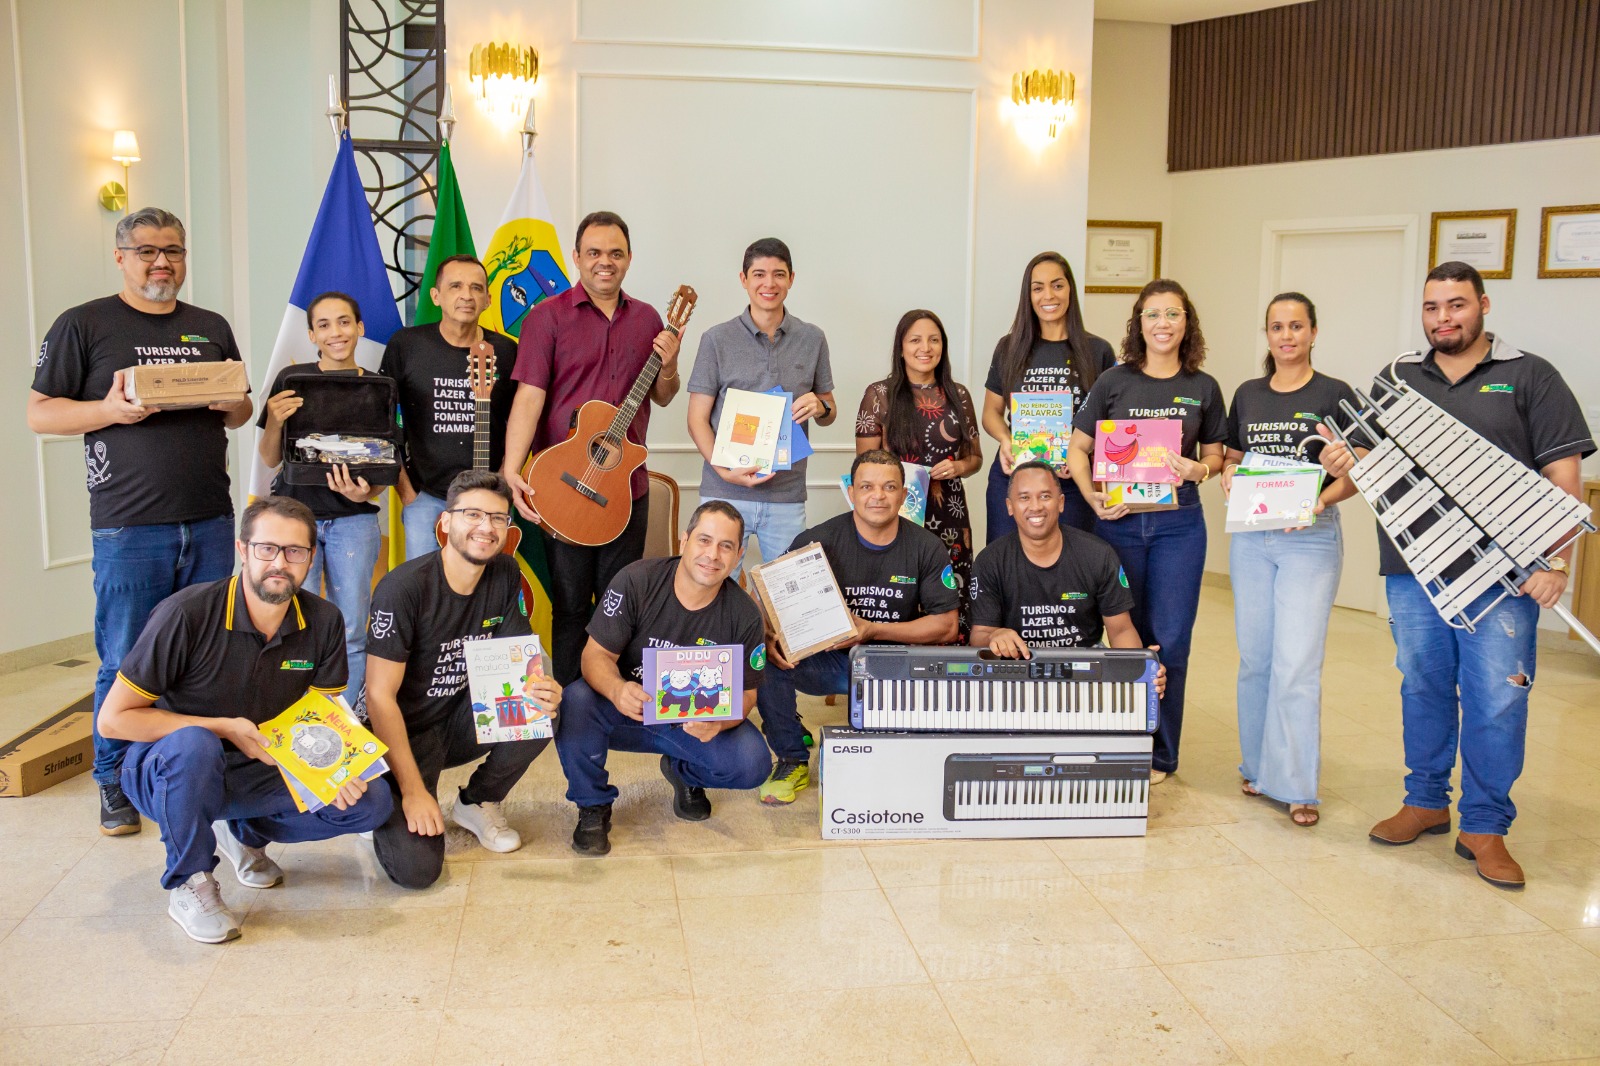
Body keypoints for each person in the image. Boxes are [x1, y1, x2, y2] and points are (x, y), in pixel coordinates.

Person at [1320, 261, 1593, 887]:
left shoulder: (1531, 375)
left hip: (1504, 575)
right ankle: (1425, 802)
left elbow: (1564, 479)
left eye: (1456, 305)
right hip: (1414, 567)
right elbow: (1369, 464)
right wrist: (1344, 461)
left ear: (1484, 306)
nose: (1444, 318)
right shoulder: (1397, 378)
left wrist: (1555, 561)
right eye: (1432, 307)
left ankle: (1486, 826)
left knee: (1498, 699)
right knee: (1422, 686)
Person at [27, 206, 254, 836]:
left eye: (175, 251)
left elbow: (239, 411)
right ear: (121, 256)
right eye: (149, 251)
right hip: (128, 526)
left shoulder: (211, 325)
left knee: (207, 653)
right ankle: (112, 781)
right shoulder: (84, 324)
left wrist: (233, 403)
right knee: (123, 656)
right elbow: (40, 414)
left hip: (210, 518)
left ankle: (194, 765)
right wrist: (107, 412)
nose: (163, 262)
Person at [97, 496, 392, 944]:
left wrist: (333, 770)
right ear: (242, 550)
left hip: (264, 763)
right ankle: (190, 881)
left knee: (371, 801)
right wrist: (222, 727)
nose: (280, 562)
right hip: (169, 767)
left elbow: (320, 717)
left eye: (295, 551)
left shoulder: (324, 620)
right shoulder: (187, 613)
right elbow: (113, 721)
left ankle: (244, 831)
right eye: (267, 548)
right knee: (194, 743)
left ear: (311, 557)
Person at [501, 211, 684, 685]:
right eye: (595, 253)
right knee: (568, 602)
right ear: (577, 258)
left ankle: (612, 697)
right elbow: (530, 396)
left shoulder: (647, 318)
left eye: (616, 253)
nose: (606, 262)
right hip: (564, 484)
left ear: (629, 259)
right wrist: (510, 466)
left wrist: (670, 363)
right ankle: (567, 698)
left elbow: (662, 394)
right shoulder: (546, 317)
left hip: (625, 488)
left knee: (618, 601)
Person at [364, 471, 563, 889]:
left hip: (456, 719)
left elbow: (519, 661)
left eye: (497, 518)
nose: (485, 527)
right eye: (472, 514)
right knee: (417, 871)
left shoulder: (505, 574)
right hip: (401, 732)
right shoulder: (402, 589)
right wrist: (415, 791)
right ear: (446, 522)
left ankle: (476, 801)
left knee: (544, 710)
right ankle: (384, 804)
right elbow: (380, 698)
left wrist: (542, 684)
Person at [1066, 279, 1227, 784]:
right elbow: (1077, 448)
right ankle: (1120, 741)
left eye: (1173, 314)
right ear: (1138, 323)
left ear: (1187, 323)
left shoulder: (1204, 387)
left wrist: (1197, 470)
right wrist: (1092, 496)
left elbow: (1217, 456)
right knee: (1124, 636)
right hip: (1118, 527)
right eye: (1153, 314)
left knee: (1172, 639)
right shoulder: (1114, 381)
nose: (1163, 323)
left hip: (1180, 526)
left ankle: (1161, 752)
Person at [556, 501, 774, 855]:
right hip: (627, 709)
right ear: (684, 540)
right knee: (575, 700)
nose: (712, 555)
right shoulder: (637, 580)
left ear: (737, 557)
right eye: (704, 540)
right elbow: (594, 656)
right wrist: (615, 689)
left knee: (753, 764)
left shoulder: (745, 615)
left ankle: (684, 772)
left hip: (688, 725)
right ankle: (592, 805)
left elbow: (747, 697)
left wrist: (718, 724)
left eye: (726, 546)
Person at [1221, 293, 1359, 827]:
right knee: (1256, 659)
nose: (1286, 336)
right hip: (1252, 539)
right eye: (1277, 327)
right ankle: (1258, 768)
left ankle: (1298, 784)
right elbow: (1232, 457)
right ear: (1268, 334)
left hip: (1310, 538)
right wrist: (1229, 476)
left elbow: (1360, 468)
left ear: (1314, 332)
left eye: (1296, 326)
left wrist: (1322, 498)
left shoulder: (1335, 394)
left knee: (1297, 664)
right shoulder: (1249, 394)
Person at [754, 450, 961, 804]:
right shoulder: (815, 540)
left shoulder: (927, 547)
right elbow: (768, 599)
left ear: (902, 494)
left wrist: (873, 629)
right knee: (763, 659)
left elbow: (946, 626)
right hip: (827, 662)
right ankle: (791, 757)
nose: (877, 496)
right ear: (851, 492)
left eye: (889, 487)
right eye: (866, 486)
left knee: (896, 771)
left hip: (894, 667)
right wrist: (768, 634)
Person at [257, 292, 387, 709]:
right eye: (325, 325)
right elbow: (270, 457)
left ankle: (344, 722)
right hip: (296, 521)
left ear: (360, 328)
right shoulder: (290, 382)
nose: (336, 333)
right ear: (312, 334)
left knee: (350, 626)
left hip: (355, 521)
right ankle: (295, 714)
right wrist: (275, 420)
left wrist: (366, 491)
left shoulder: (379, 387)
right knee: (294, 621)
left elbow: (382, 463)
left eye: (345, 322)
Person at [687, 237, 837, 574]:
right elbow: (697, 419)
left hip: (786, 495)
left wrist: (821, 407)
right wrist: (726, 472)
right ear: (744, 280)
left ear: (791, 279)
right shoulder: (716, 339)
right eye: (759, 274)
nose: (769, 284)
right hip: (724, 492)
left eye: (778, 274)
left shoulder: (813, 338)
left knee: (790, 595)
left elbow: (829, 409)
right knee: (713, 590)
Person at [970, 463, 1163, 691]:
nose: (1036, 507)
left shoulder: (1097, 554)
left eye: (1045, 496)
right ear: (1009, 507)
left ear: (1061, 503)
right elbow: (980, 635)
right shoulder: (990, 561)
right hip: (1017, 669)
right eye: (1024, 498)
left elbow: (1120, 630)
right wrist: (997, 635)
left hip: (1084, 667)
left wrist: (1139, 674)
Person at [380, 255, 518, 560]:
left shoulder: (506, 351)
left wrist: (504, 479)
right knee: (426, 591)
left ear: (488, 299)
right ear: (436, 295)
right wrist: (407, 493)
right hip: (426, 498)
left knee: (488, 590)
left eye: (476, 288)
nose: (466, 295)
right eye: (455, 286)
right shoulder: (406, 345)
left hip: (490, 499)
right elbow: (383, 421)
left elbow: (520, 422)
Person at [855, 309, 983, 636]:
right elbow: (866, 466)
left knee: (949, 591)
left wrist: (957, 466)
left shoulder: (959, 395)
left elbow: (975, 458)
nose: (925, 347)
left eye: (934, 339)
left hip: (949, 511)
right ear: (901, 347)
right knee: (901, 590)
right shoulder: (878, 395)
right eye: (915, 340)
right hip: (898, 511)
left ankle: (947, 673)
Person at [980, 252, 1116, 539]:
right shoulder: (1009, 348)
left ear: (1070, 290)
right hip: (1015, 476)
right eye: (1038, 287)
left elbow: (1108, 423)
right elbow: (991, 413)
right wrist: (1006, 440)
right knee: (1008, 566)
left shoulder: (1098, 351)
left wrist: (1083, 453)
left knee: (1072, 568)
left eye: (1057, 285)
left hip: (1073, 481)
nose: (1048, 295)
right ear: (1028, 295)